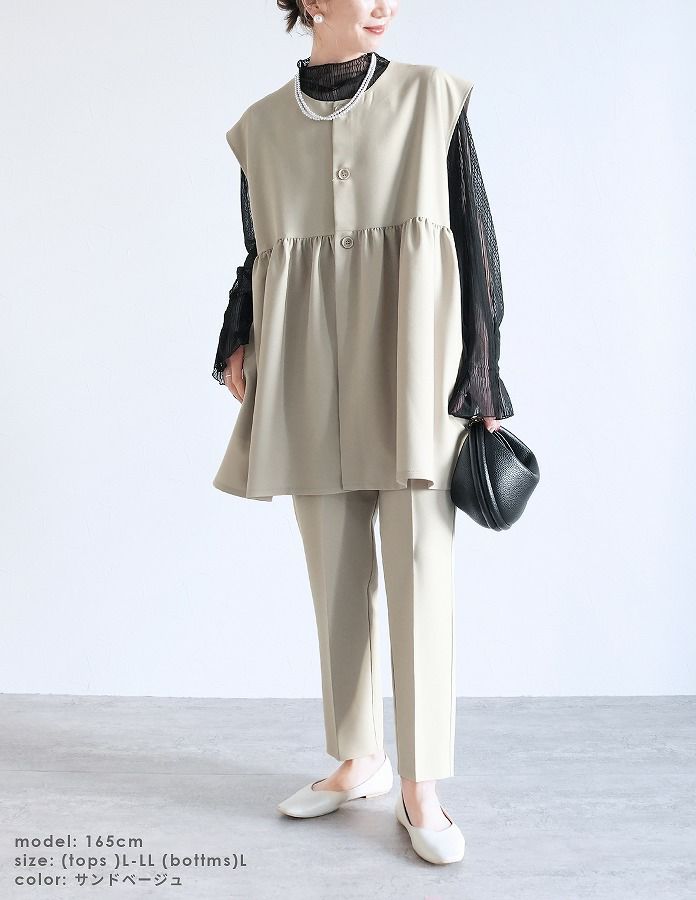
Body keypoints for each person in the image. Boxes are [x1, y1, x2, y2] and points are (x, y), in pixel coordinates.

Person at [211, 0, 514, 866]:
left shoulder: (432, 98)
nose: (385, 5)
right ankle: (358, 759)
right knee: (334, 573)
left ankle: (421, 786)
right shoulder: (261, 128)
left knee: (419, 568)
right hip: (307, 365)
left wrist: (483, 370)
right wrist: (236, 335)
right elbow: (257, 250)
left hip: (414, 365)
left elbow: (477, 238)